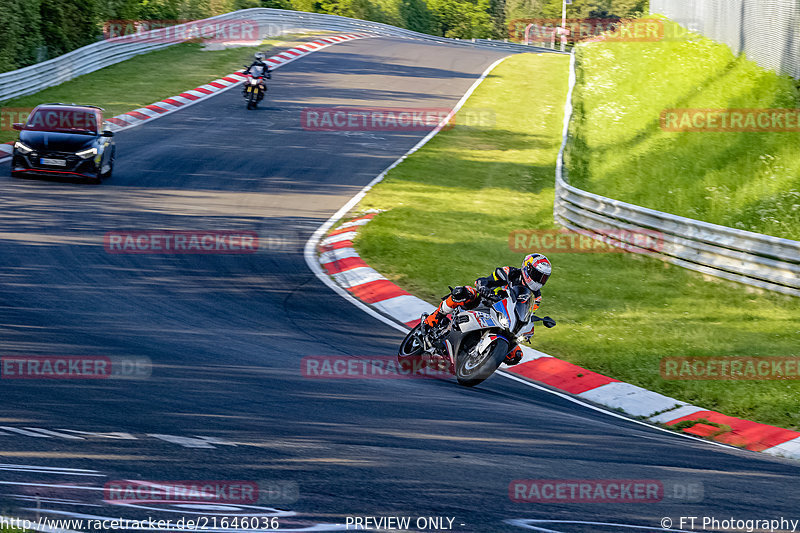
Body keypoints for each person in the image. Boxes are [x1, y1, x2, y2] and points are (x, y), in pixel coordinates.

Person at [422, 253, 551, 366]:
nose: (539, 280)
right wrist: (484, 286)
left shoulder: (536, 297)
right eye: (537, 275)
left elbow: (526, 313)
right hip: (486, 302)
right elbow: (487, 280)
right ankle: (434, 317)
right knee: (464, 292)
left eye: (543, 278)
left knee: (516, 355)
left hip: (504, 318)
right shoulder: (510, 273)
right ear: (527, 268)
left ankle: (481, 357)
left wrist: (531, 321)